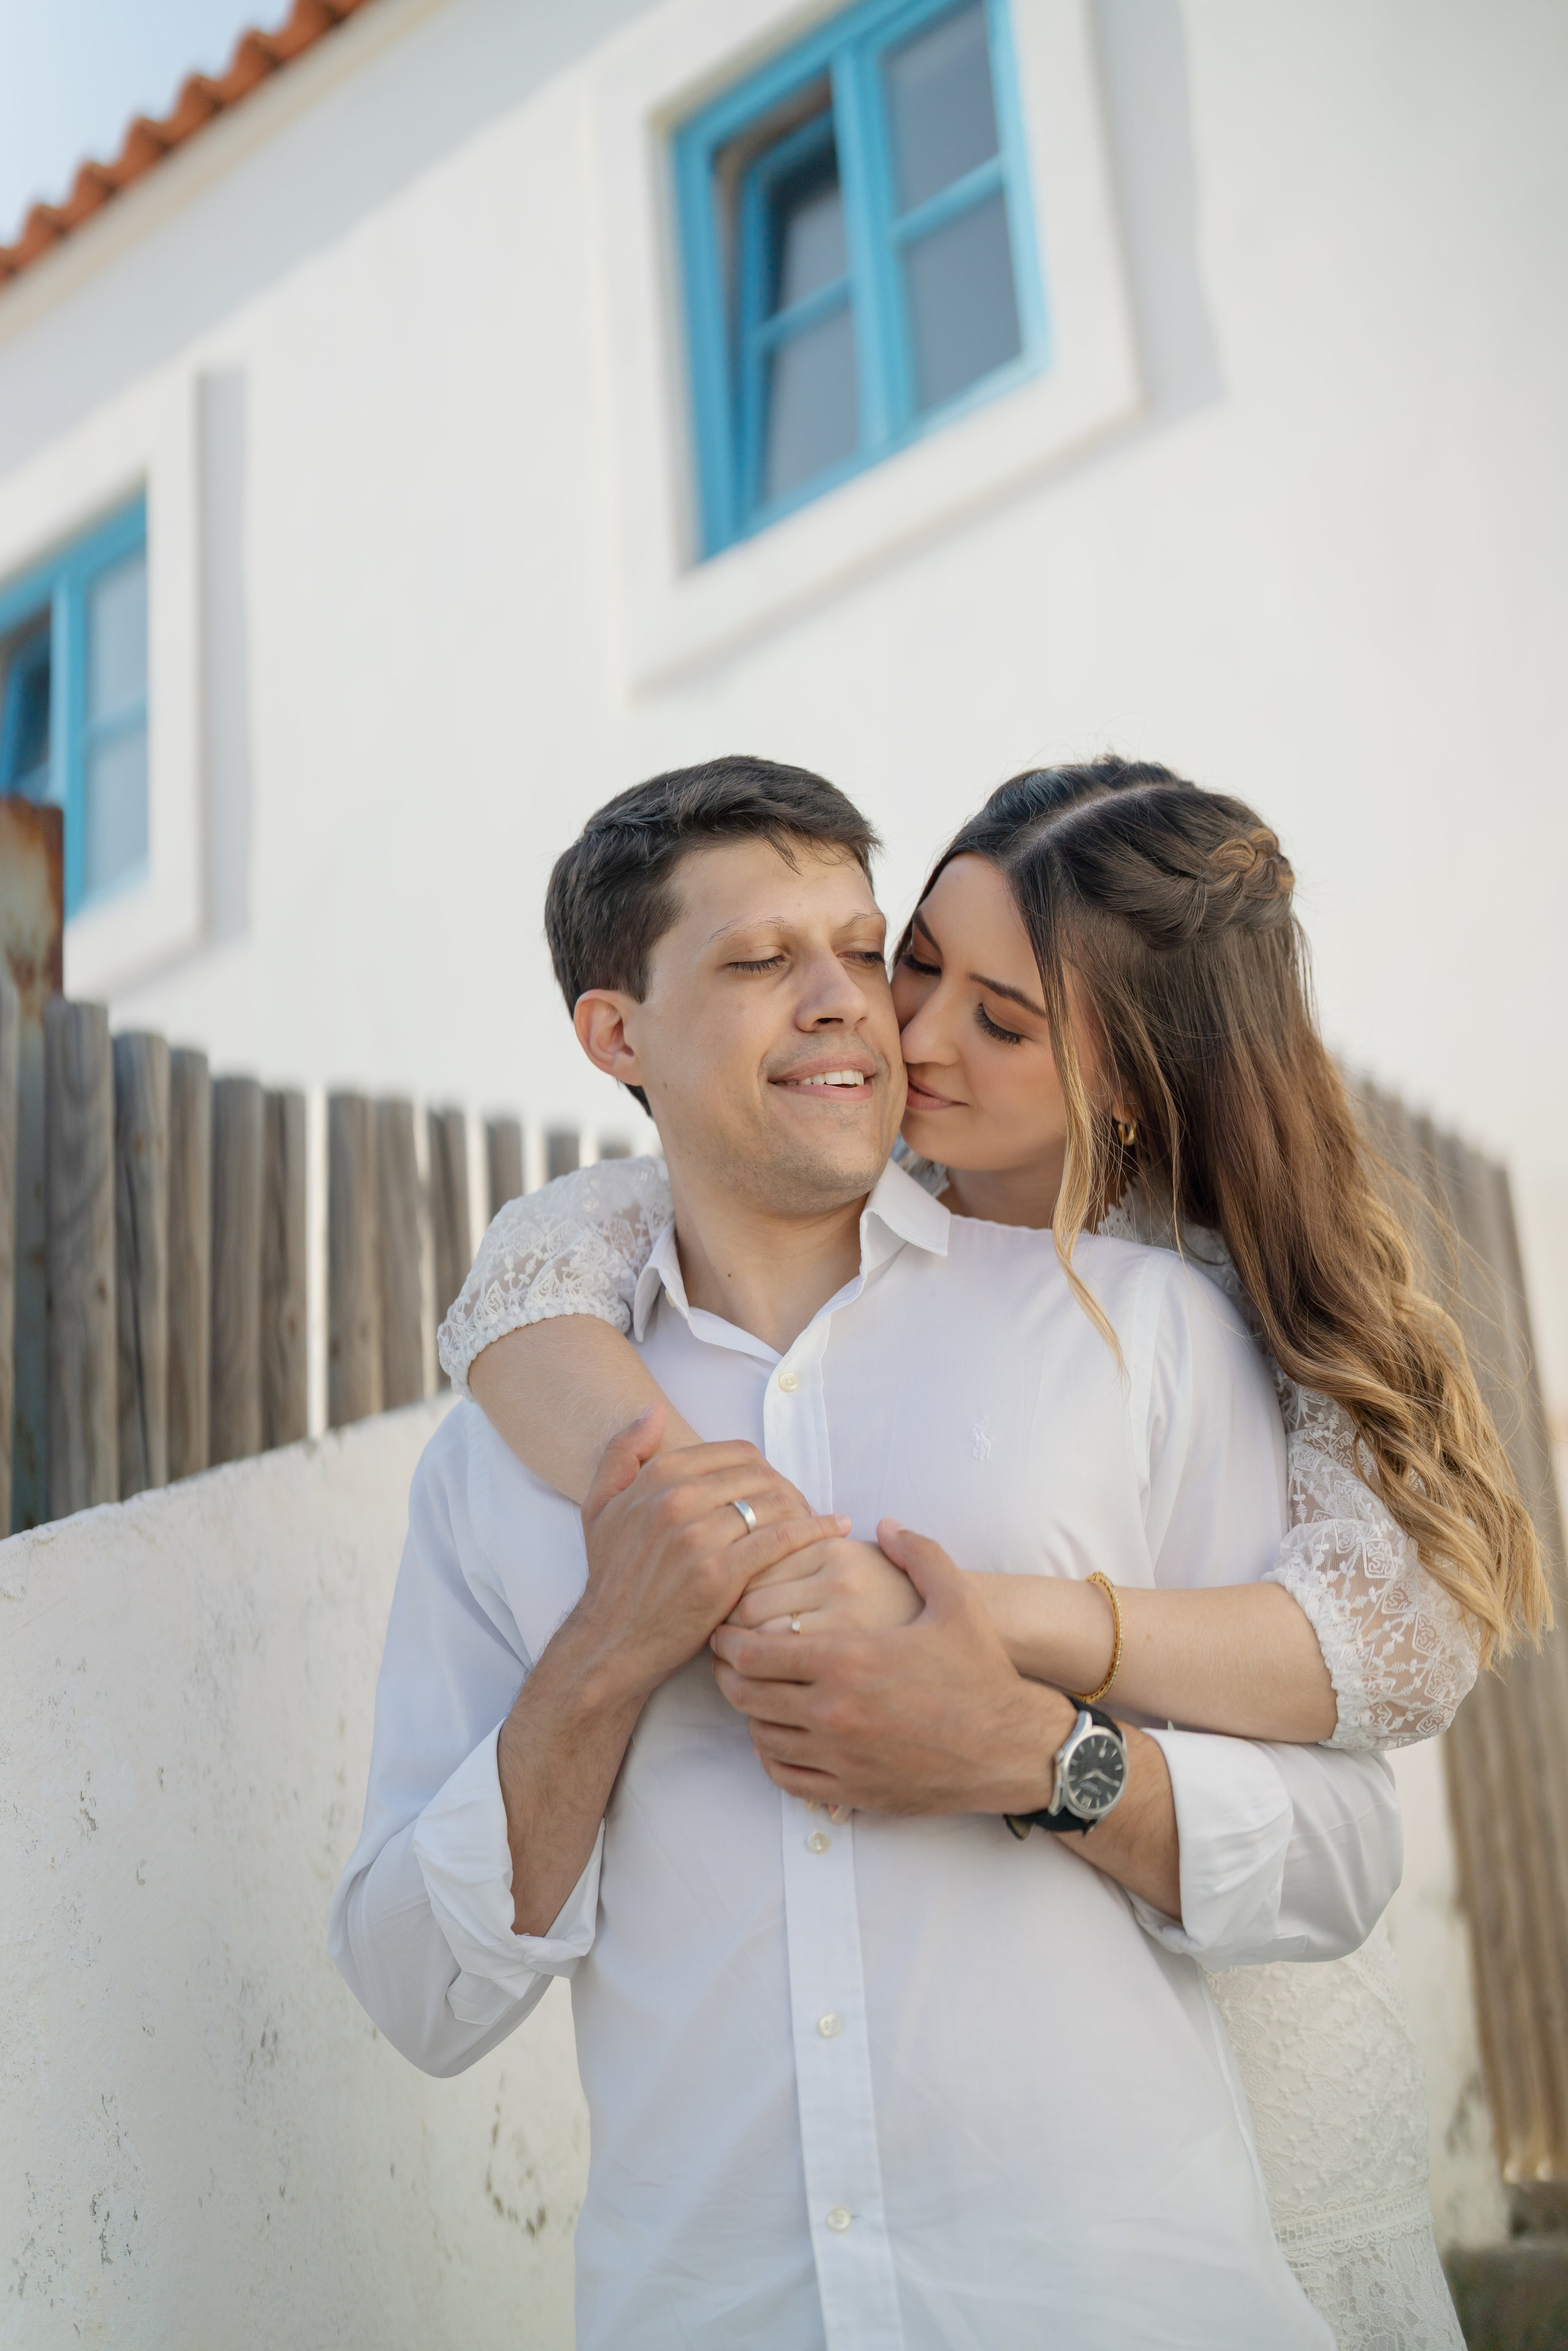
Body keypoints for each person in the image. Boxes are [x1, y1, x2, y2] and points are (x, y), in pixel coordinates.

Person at [437, 757, 1546, 2350]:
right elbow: (528, 1278)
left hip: (1208, 2117)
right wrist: (727, 1545)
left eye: (1002, 1022)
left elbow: (1380, 1659)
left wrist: (983, 1635)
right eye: (923, 967)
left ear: (1135, 1085)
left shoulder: (1207, 1312)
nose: (916, 1034)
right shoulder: (828, 1195)